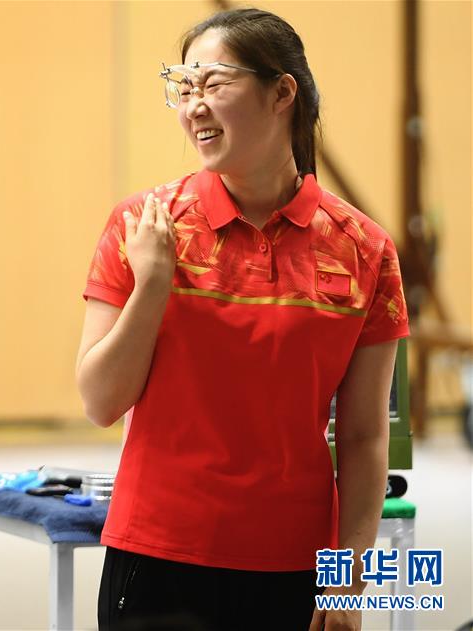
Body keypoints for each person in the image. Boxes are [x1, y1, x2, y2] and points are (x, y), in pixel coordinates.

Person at [76, 9, 409, 631]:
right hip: (159, 553)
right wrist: (153, 284)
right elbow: (100, 401)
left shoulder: (364, 249)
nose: (194, 106)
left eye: (213, 83)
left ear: (282, 93)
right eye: (184, 87)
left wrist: (349, 581)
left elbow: (366, 437)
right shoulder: (142, 225)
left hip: (295, 565)